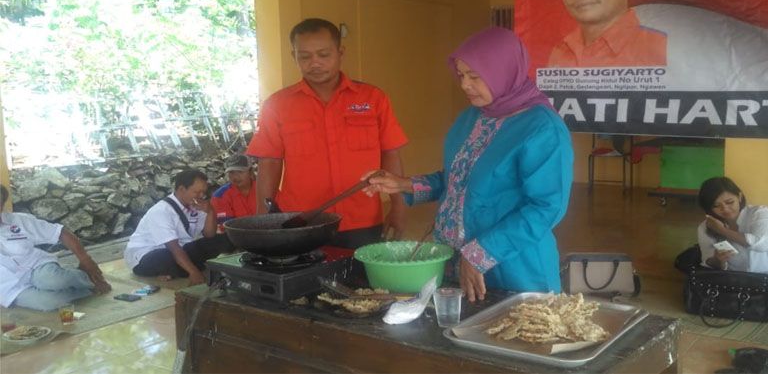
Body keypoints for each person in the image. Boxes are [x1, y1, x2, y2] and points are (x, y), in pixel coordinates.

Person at [364, 27, 574, 302]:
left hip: (517, 269)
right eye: (462, 75)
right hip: (456, 264)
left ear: (503, 71)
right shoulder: (471, 118)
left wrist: (478, 254)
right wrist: (402, 184)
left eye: (475, 76)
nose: (464, 84)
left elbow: (546, 207)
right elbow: (456, 179)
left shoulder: (542, 129)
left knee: (517, 337)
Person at [246, 18, 408, 248]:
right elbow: (269, 163)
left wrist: (398, 205)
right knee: (306, 281)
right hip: (302, 222)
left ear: (340, 52)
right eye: (305, 57)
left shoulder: (373, 99)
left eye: (323, 54)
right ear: (294, 57)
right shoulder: (278, 105)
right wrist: (264, 218)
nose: (315, 63)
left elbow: (390, 153)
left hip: (362, 220)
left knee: (361, 283)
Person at [0, 185, 111, 311]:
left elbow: (61, 233)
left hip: (36, 266)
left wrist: (86, 260)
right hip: (8, 286)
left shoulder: (19, 221)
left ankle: (87, 278)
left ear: (2, 204)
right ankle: (87, 289)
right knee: (49, 304)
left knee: (54, 281)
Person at [696, 176, 768, 318]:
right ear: (709, 208)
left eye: (729, 202)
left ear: (739, 196)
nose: (725, 209)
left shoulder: (760, 213)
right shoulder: (705, 227)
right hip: (737, 281)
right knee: (705, 288)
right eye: (717, 206)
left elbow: (761, 244)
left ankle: (762, 300)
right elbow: (707, 261)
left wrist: (723, 230)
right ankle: (763, 301)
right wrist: (718, 260)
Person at [124, 169, 233, 285]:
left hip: (181, 249)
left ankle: (175, 270)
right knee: (165, 256)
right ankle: (182, 269)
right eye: (197, 192)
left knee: (223, 239)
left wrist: (210, 211)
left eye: (204, 192)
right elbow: (173, 247)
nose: (201, 196)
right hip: (145, 256)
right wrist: (194, 272)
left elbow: (209, 235)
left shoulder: (197, 204)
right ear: (181, 189)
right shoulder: (161, 211)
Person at [211, 154, 257, 228]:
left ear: (251, 171)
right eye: (231, 173)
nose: (235, 177)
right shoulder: (220, 196)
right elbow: (228, 227)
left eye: (240, 172)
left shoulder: (265, 188)